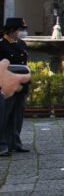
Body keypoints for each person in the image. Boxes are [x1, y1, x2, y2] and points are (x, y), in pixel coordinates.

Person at [0, 18, 30, 154]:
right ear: (12, 30)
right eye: (20, 29)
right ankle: (2, 144)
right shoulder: (2, 45)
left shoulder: (22, 44)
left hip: (21, 84)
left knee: (18, 115)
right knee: (4, 115)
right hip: (6, 85)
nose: (22, 32)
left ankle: (15, 142)